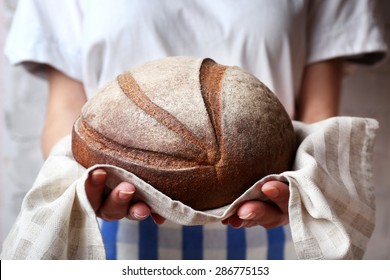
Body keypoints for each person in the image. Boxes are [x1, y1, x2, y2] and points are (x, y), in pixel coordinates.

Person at [4, 0, 387, 259]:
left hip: (275, 219)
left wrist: (306, 186)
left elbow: (318, 114)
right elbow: (68, 113)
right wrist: (84, 184)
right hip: (114, 227)